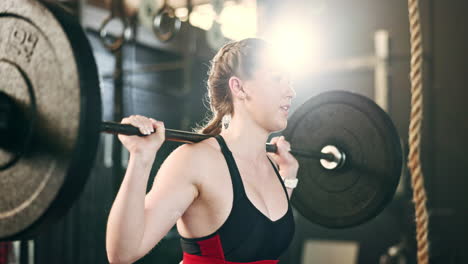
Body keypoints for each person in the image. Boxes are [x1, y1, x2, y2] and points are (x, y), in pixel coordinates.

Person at [106, 38, 299, 264]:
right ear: (239, 87)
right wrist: (141, 158)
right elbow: (122, 254)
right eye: (277, 79)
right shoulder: (195, 161)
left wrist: (289, 173)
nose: (291, 92)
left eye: (290, 81)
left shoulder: (273, 166)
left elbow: (262, 234)